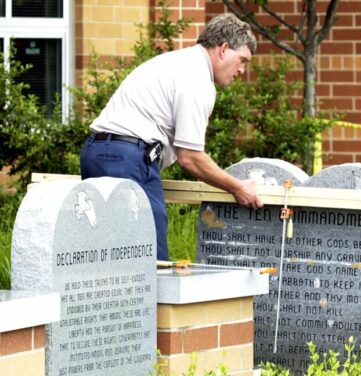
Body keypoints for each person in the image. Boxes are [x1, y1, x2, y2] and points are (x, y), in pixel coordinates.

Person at [80, 14, 263, 261]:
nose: (242, 70)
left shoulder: (178, 62)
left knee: (108, 260)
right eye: (242, 60)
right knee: (150, 261)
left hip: (98, 151)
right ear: (223, 49)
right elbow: (191, 158)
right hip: (128, 159)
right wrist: (238, 187)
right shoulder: (198, 81)